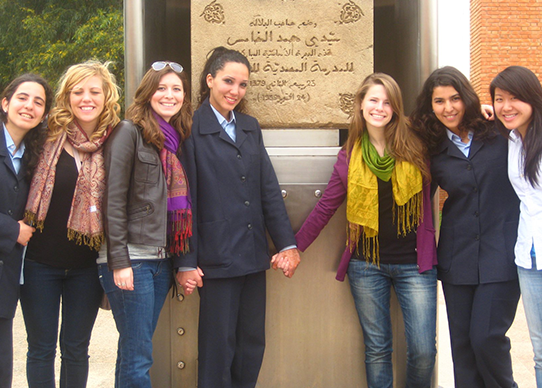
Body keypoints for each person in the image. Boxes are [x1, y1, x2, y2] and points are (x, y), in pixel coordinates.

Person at [295, 72, 437, 388]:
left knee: (424, 351)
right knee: (377, 350)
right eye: (373, 100)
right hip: (367, 265)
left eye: (387, 102)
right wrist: (294, 247)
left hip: (415, 264)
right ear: (361, 105)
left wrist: (483, 114)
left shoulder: (417, 146)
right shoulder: (348, 157)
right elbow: (325, 207)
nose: (379, 107)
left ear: (396, 108)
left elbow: (453, 124)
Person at [176, 47, 300, 388]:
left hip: (252, 253)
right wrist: (185, 260)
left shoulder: (249, 127)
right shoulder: (190, 129)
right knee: (218, 348)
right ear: (210, 79)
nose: (235, 90)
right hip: (214, 256)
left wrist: (287, 243)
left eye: (243, 84)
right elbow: (183, 203)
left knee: (251, 344)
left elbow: (268, 189)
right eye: (228, 81)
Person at [410, 66, 520, 388]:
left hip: (501, 252)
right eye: (439, 101)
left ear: (467, 98)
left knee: (486, 338)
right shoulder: (430, 147)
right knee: (462, 347)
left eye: (455, 98)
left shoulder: (498, 132)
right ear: (431, 106)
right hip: (457, 256)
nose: (449, 108)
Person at [20, 61, 121, 388]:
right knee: (40, 349)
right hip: (39, 264)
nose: (86, 98)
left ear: (107, 96)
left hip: (87, 267)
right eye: (78, 91)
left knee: (76, 349)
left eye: (94, 91)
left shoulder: (118, 140)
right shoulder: (44, 135)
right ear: (67, 96)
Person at [98, 61, 193, 387]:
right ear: (147, 92)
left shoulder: (172, 140)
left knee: (133, 350)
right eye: (161, 88)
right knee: (139, 355)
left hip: (159, 259)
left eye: (176, 89)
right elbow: (112, 198)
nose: (169, 95)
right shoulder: (129, 131)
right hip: (132, 260)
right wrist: (119, 261)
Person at [491, 65, 542, 388]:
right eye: (499, 99)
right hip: (528, 258)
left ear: (533, 99)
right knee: (540, 350)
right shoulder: (510, 139)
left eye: (514, 98)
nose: (506, 106)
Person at [0, 74, 51, 388]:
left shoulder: (31, 157)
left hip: (6, 281)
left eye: (38, 102)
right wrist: (10, 230)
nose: (29, 106)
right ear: (5, 103)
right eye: (22, 98)